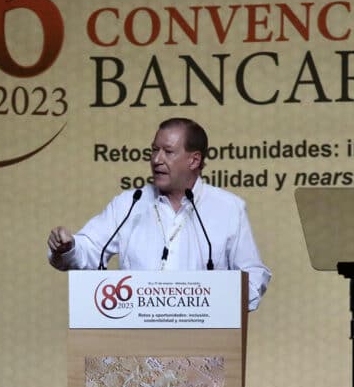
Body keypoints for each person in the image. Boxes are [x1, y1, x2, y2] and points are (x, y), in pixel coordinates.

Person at [48, 117, 271, 311]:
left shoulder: (228, 208)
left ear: (194, 160)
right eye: (155, 150)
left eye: (168, 152)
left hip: (204, 344)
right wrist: (69, 247)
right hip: (135, 343)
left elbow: (253, 274)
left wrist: (221, 305)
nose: (157, 159)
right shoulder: (129, 203)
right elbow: (91, 248)